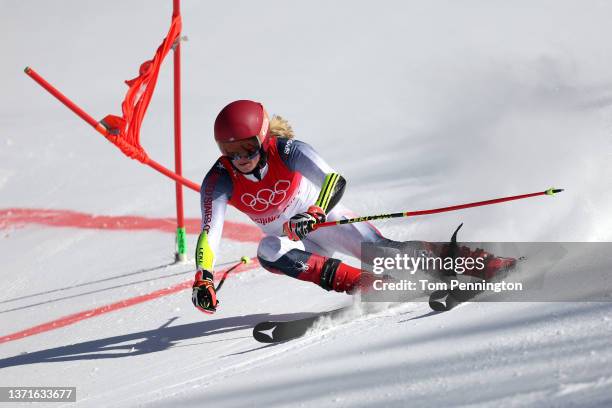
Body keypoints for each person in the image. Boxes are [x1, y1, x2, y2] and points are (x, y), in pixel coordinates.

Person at [191, 100, 514, 313]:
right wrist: (203, 276)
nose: (241, 159)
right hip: (293, 240)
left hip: (324, 221)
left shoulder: (287, 150)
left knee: (384, 253)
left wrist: (314, 212)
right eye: (230, 150)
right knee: (268, 250)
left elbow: (334, 180)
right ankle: (370, 285)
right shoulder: (220, 180)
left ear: (262, 139)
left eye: (248, 148)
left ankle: (479, 263)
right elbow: (210, 233)